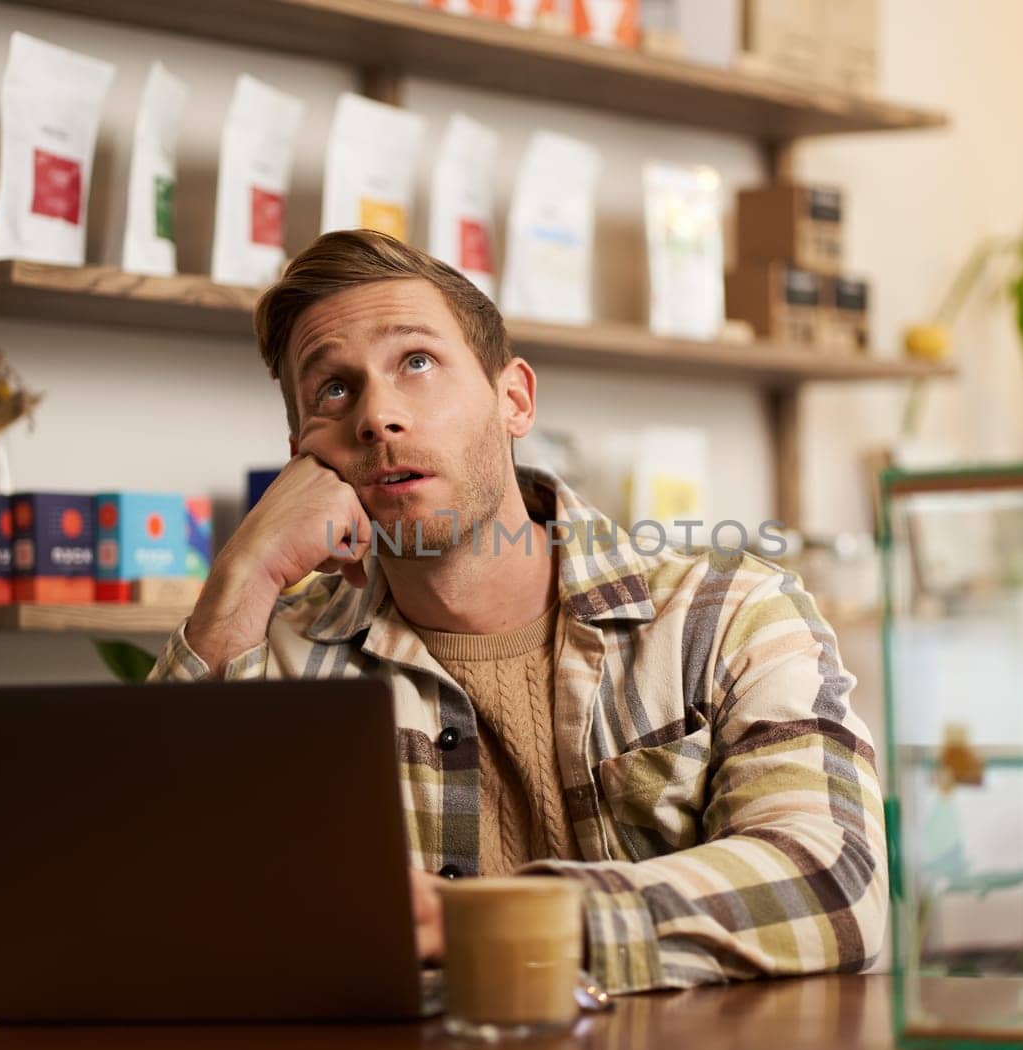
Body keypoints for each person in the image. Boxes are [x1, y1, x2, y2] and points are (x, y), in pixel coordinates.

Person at [150, 229, 887, 994]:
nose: (378, 416)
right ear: (303, 449)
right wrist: (241, 575)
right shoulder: (278, 656)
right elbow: (140, 908)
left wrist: (513, 917)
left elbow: (835, 880)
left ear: (515, 399)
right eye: (334, 389)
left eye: (417, 362)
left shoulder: (726, 616)